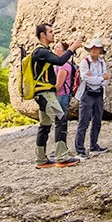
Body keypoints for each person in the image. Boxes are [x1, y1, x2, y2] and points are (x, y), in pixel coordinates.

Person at [32, 23, 83, 168]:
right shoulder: (41, 52)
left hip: (41, 94)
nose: (53, 34)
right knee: (61, 119)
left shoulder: (39, 52)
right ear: (43, 35)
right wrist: (72, 48)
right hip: (46, 95)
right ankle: (62, 157)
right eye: (50, 32)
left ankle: (41, 159)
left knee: (45, 125)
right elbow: (60, 61)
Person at [74, 38, 110, 159]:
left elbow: (106, 79)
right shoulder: (85, 62)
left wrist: (96, 79)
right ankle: (79, 149)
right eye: (93, 48)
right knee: (83, 121)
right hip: (87, 94)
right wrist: (100, 78)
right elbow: (86, 78)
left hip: (98, 94)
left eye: (97, 48)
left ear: (100, 50)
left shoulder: (102, 63)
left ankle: (93, 145)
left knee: (97, 120)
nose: (95, 50)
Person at [53, 41, 73, 115]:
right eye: (54, 47)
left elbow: (59, 84)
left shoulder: (64, 66)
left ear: (64, 52)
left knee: (60, 117)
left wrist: (52, 95)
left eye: (58, 47)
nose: (55, 49)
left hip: (62, 95)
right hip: (61, 95)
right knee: (59, 117)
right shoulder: (57, 64)